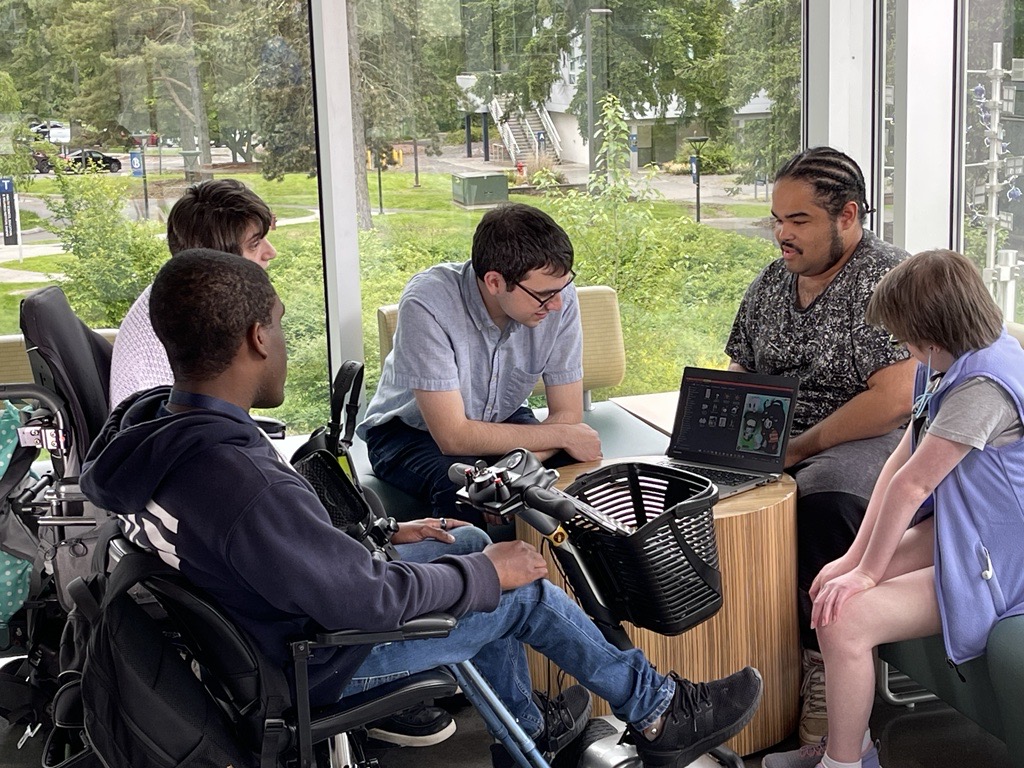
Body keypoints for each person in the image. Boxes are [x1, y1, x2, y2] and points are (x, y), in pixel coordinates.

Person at [80, 249, 764, 767]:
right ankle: (659, 710)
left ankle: (522, 733)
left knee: (468, 544)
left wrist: (386, 532)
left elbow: (273, 548)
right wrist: (489, 576)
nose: (283, 344)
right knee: (515, 591)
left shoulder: (157, 436)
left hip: (271, 630)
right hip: (316, 660)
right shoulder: (236, 477)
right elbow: (362, 599)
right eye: (280, 328)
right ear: (257, 339)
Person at [763, 249, 1024, 768]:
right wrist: (853, 562)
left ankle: (845, 764)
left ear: (932, 332)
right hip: (969, 532)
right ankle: (849, 746)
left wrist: (864, 578)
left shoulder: (982, 387)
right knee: (834, 587)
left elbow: (912, 488)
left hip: (1004, 557)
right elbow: (899, 465)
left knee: (844, 617)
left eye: (904, 335)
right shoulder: (946, 360)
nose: (901, 347)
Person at [725, 146, 917, 744]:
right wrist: (718, 434)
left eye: (799, 221)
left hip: (873, 436)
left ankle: (822, 669)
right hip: (779, 433)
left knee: (823, 499)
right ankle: (730, 659)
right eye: (777, 219)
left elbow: (894, 399)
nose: (782, 234)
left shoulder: (891, 279)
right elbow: (740, 367)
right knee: (686, 492)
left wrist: (796, 447)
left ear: (849, 217)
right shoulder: (774, 281)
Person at [357, 203, 602, 528]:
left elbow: (568, 417)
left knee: (574, 472)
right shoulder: (427, 304)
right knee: (467, 493)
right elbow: (453, 437)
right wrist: (553, 442)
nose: (556, 304)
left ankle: (555, 577)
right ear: (494, 282)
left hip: (502, 418)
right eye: (544, 295)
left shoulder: (558, 298)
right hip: (411, 432)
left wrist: (511, 470)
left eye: (562, 288)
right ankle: (479, 577)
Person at [108, 178, 278, 410]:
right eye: (254, 244)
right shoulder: (188, 331)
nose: (271, 252)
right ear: (216, 259)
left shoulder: (178, 299)